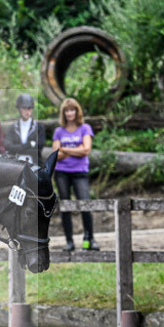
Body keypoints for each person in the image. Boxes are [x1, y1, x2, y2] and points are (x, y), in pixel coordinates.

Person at [52, 97, 98, 251]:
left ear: (77, 111)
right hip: (62, 173)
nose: (70, 113)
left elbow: (86, 150)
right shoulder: (59, 131)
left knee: (85, 203)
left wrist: (64, 149)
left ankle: (90, 239)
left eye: (72, 110)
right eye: (67, 111)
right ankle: (69, 241)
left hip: (80, 172)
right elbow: (55, 155)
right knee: (65, 205)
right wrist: (75, 150)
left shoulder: (85, 128)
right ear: (63, 113)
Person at [4, 93, 45, 166]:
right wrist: (28, 145)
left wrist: (18, 148)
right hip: (15, 164)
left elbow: (38, 148)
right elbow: (8, 146)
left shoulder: (39, 128)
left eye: (29, 108)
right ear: (19, 109)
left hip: (34, 164)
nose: (27, 111)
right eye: (24, 108)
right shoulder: (12, 128)